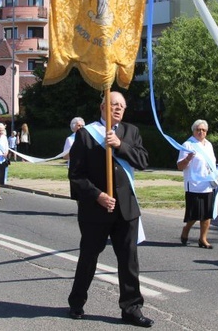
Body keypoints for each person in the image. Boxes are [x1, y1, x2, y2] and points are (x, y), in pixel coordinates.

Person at [67, 91, 153, 327]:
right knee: (88, 257)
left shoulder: (131, 132)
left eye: (122, 106)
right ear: (102, 106)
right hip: (96, 210)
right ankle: (77, 302)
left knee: (129, 261)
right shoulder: (85, 135)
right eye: (114, 104)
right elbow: (75, 176)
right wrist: (98, 195)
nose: (118, 109)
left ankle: (132, 308)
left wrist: (120, 146)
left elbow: (143, 161)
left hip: (126, 208)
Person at [176, 119, 218, 249]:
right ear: (193, 131)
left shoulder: (209, 145)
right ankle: (186, 230)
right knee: (194, 214)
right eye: (198, 130)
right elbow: (179, 166)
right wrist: (188, 158)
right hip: (193, 185)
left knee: (207, 214)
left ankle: (203, 238)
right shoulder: (188, 145)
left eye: (203, 130)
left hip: (207, 185)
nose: (201, 132)